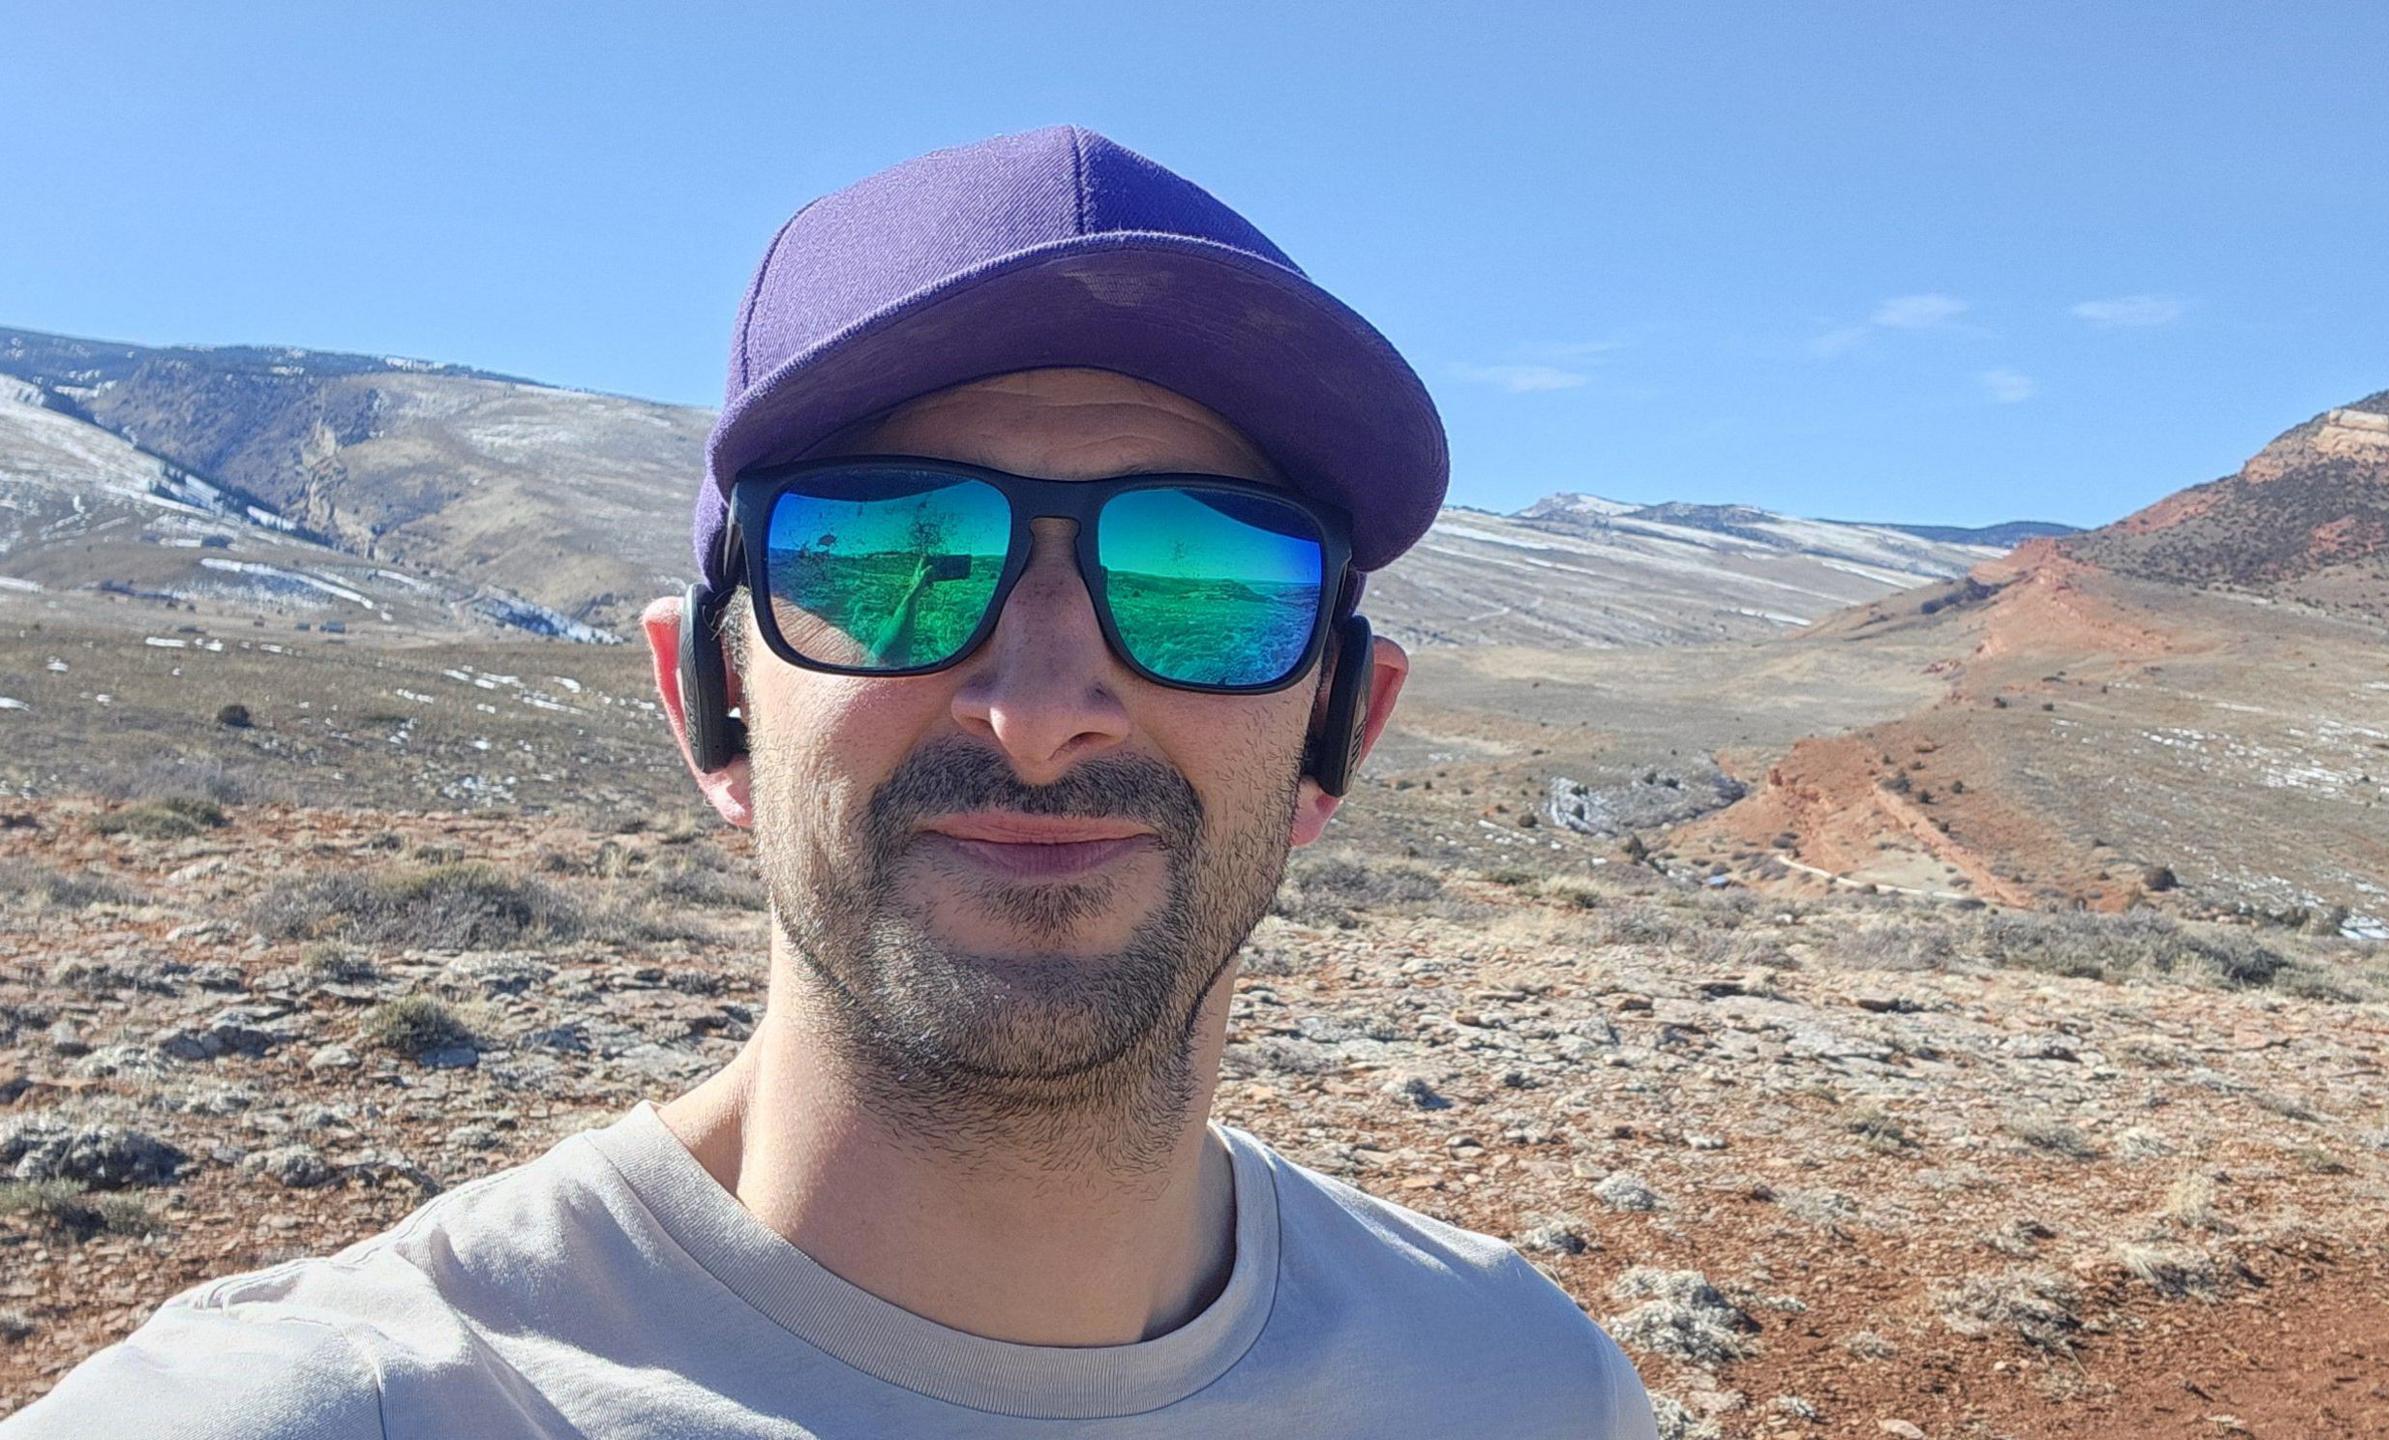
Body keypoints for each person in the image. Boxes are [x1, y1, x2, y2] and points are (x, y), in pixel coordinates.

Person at [5, 126, 1657, 1438]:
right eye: (888, 558)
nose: (1038, 708)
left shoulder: (1525, 1391)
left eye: (1201, 573)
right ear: (706, 700)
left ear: (1338, 734)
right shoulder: (350, 1409)